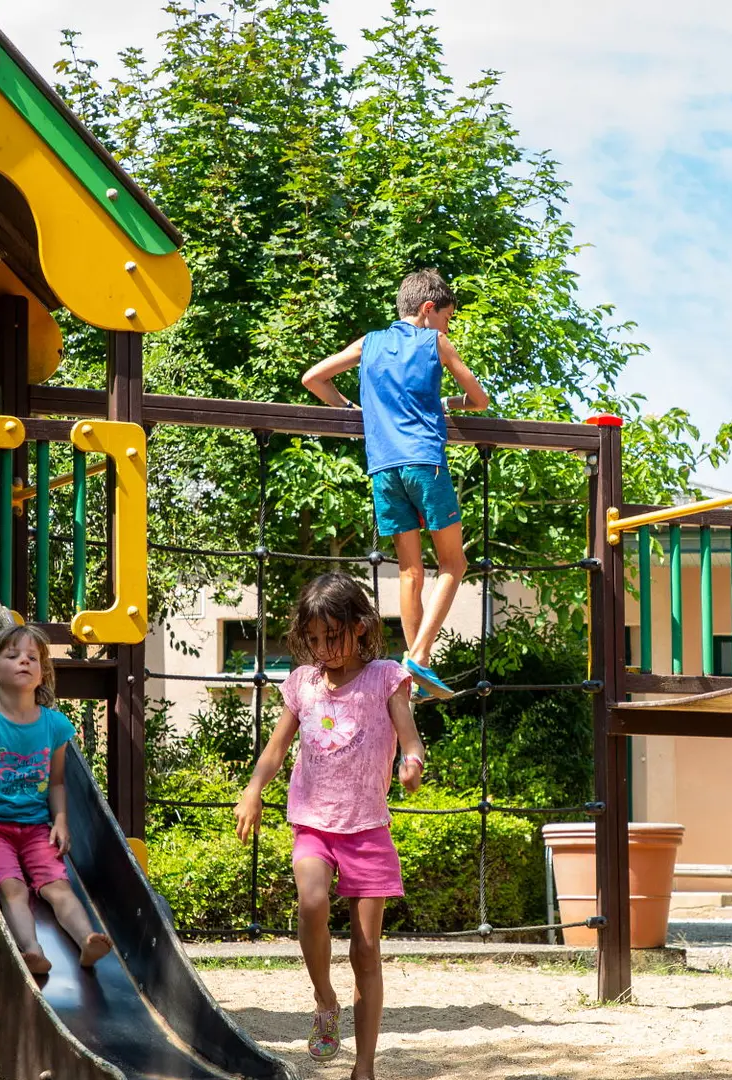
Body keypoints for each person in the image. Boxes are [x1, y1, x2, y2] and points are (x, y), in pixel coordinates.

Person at [234, 573, 428, 1079]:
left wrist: (412, 763)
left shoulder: (386, 677)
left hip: (367, 828)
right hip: (313, 822)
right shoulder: (303, 682)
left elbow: (410, 738)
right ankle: (324, 999)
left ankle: (363, 1067)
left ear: (360, 627)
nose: (323, 649)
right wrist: (253, 789)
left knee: (366, 950)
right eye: (314, 639)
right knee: (312, 901)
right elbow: (276, 749)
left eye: (333, 636)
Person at [301, 269, 490, 698]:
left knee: (409, 570)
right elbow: (479, 400)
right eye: (447, 317)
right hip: (425, 461)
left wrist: (353, 409)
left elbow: (312, 378)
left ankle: (411, 668)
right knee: (454, 564)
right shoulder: (434, 342)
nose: (447, 326)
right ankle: (419, 657)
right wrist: (449, 402)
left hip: (383, 467)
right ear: (428, 310)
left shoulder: (369, 342)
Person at [0, 625, 112, 974]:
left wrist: (61, 820)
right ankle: (32, 949)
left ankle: (87, 941)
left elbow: (56, 783)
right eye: (13, 655)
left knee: (59, 887)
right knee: (13, 888)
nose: (25, 660)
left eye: (32, 657)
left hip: (36, 828)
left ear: (42, 674)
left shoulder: (54, 726)